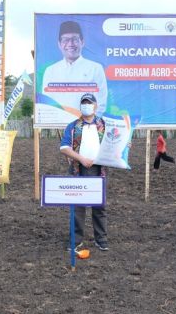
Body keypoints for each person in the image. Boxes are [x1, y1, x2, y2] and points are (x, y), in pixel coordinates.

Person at [60, 93, 109, 251]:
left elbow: (114, 143)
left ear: (95, 106)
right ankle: (75, 240)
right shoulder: (73, 126)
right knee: (78, 207)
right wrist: (81, 159)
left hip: (99, 170)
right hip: (78, 170)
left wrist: (124, 145)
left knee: (99, 206)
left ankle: (100, 239)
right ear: (81, 106)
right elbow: (64, 147)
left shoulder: (104, 125)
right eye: (84, 103)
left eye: (89, 103)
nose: (86, 105)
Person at [42, 21, 107, 116]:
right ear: (59, 44)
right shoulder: (50, 71)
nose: (70, 44)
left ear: (82, 42)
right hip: (58, 126)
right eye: (65, 40)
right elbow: (47, 104)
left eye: (75, 39)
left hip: (87, 126)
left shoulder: (95, 68)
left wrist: (86, 123)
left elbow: (100, 104)